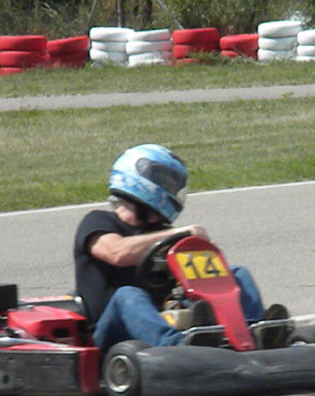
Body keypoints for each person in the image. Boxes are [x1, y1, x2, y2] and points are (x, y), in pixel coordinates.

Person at [73, 144, 287, 351]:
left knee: (237, 273)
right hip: (110, 333)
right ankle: (177, 348)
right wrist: (180, 234)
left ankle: (252, 333)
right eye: (165, 182)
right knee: (128, 295)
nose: (172, 189)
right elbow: (118, 253)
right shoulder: (97, 221)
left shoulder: (163, 231)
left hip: (161, 319)